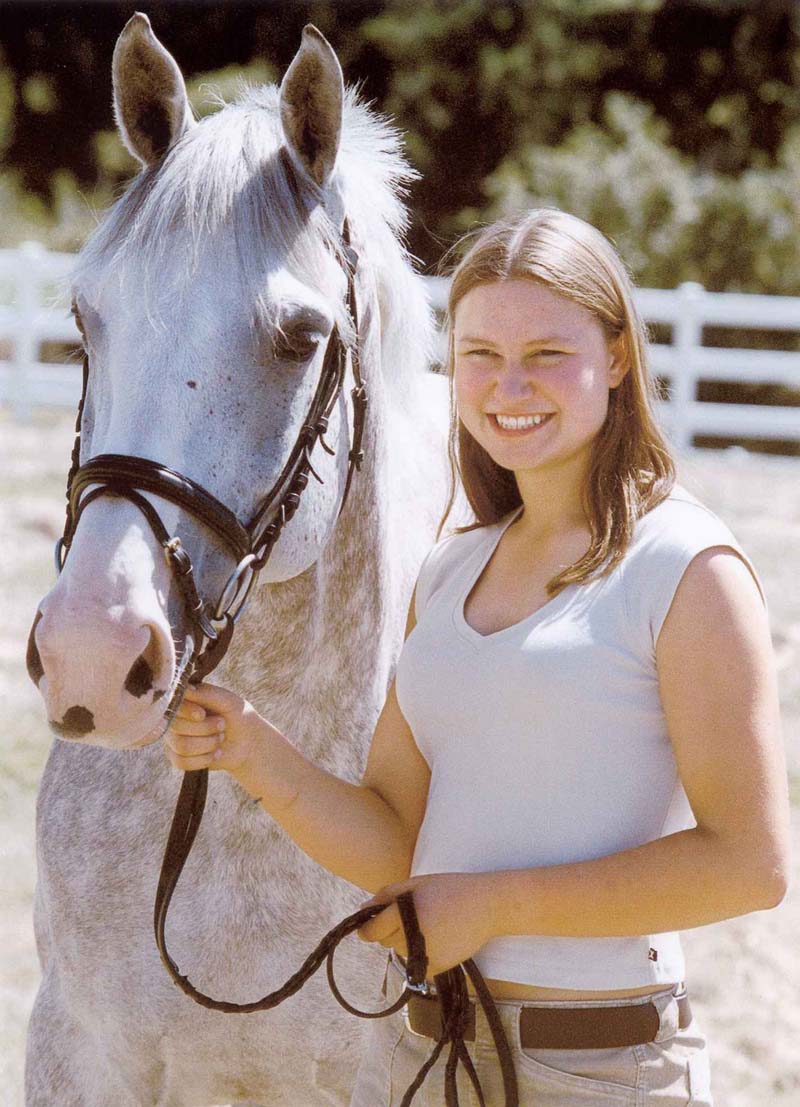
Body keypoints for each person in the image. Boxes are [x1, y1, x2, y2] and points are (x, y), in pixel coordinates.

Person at [166, 209, 790, 1105]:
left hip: (600, 1072)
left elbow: (751, 864)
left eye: (547, 353)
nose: (510, 385)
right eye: (480, 355)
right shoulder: (451, 568)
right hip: (422, 1056)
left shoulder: (687, 567)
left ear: (616, 357)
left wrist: (491, 905)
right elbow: (394, 837)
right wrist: (252, 750)